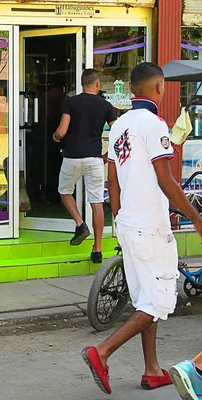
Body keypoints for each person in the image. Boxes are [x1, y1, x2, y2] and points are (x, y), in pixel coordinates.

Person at [81, 62, 202, 395]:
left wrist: (119, 217)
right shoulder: (154, 124)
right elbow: (166, 180)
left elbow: (113, 178)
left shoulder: (119, 124)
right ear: (159, 88)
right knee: (157, 303)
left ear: (132, 89)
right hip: (150, 226)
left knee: (146, 299)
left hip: (129, 223)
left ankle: (152, 369)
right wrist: (195, 216)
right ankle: (101, 352)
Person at [53, 69, 117, 263]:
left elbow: (62, 131)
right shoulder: (106, 106)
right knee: (96, 203)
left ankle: (80, 224)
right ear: (97, 84)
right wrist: (107, 155)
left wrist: (55, 136)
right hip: (94, 159)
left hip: (72, 157)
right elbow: (118, 133)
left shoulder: (71, 102)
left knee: (64, 191)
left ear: (82, 84)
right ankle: (97, 250)